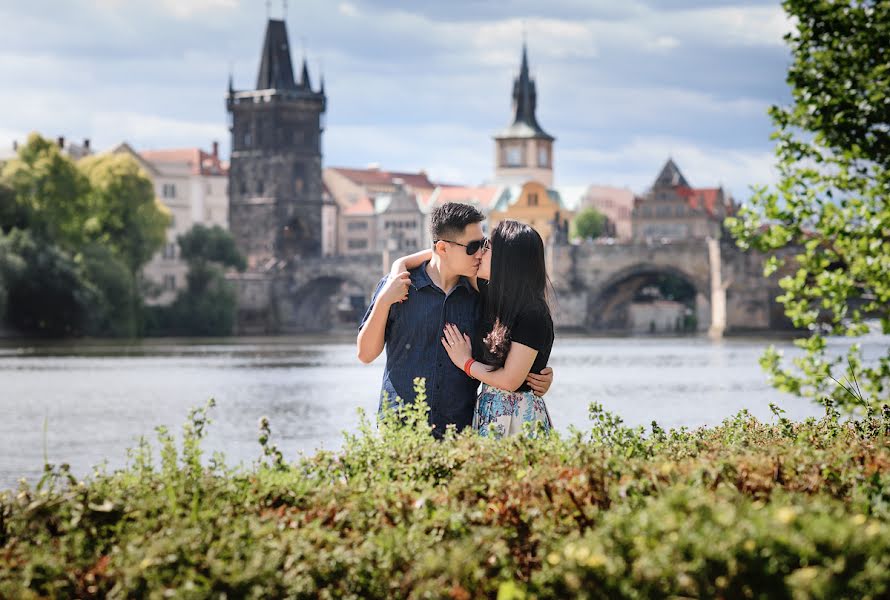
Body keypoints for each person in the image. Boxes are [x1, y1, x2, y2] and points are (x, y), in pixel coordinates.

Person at [357, 203, 552, 438]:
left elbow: (517, 349)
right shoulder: (398, 286)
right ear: (443, 248)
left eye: (483, 245)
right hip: (400, 429)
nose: (480, 253)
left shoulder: (482, 295)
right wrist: (385, 298)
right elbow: (365, 354)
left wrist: (537, 376)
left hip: (461, 432)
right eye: (473, 247)